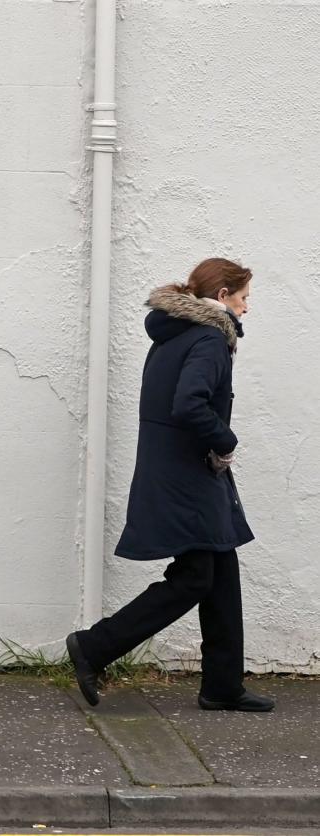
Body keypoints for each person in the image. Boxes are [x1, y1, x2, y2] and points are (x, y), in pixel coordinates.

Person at [67, 258, 274, 712]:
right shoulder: (208, 338)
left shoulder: (176, 332)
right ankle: (94, 646)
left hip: (180, 471)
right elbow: (189, 404)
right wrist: (226, 440)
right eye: (244, 298)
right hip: (189, 477)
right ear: (222, 298)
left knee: (221, 570)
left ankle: (222, 685)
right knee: (195, 577)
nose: (247, 308)